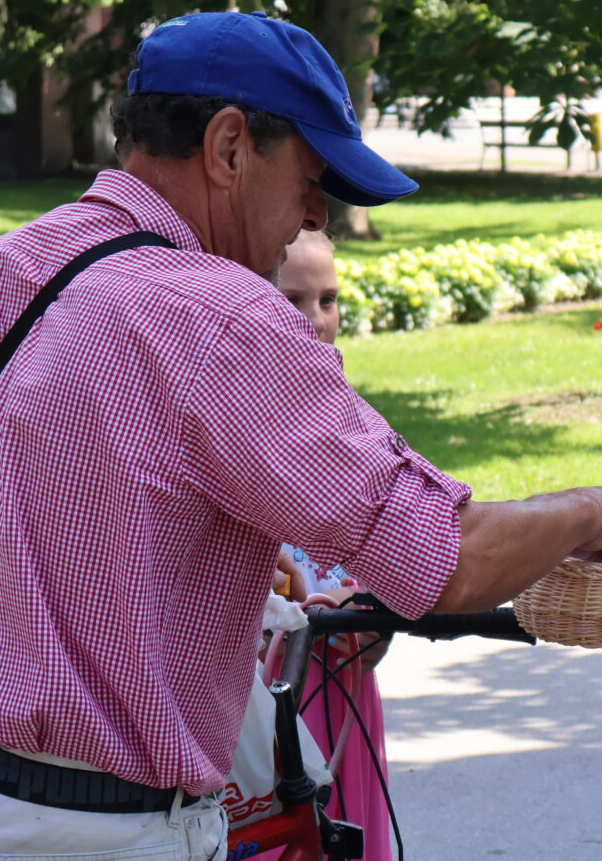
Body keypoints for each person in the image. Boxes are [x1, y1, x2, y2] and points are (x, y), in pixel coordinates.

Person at [0, 10, 602, 860]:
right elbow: (447, 561)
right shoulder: (225, 317)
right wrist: (597, 510)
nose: (317, 215)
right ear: (229, 147)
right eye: (312, 178)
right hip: (107, 832)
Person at [269, 229, 396, 860]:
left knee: (345, 834)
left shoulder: (356, 423)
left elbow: (385, 555)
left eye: (328, 300)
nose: (316, 320)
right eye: (293, 300)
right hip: (266, 689)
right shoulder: (234, 422)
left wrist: (375, 614)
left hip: (343, 680)